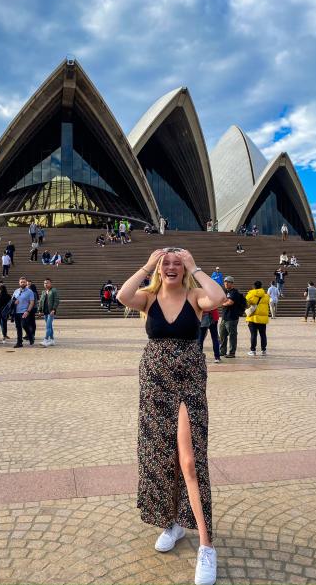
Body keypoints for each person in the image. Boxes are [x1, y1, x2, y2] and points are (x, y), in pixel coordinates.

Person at [116, 247, 225, 585]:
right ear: (160, 269)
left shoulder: (195, 296)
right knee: (160, 458)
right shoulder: (148, 299)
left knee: (189, 461)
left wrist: (197, 265)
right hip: (154, 383)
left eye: (179, 263)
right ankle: (173, 523)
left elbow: (217, 297)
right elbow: (122, 295)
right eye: (168, 263)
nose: (173, 267)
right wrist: (149, 263)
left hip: (189, 383)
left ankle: (207, 546)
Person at [219, 276, 243, 359]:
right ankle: (222, 351)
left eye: (228, 282)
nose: (226, 283)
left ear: (232, 283)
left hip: (232, 318)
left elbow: (230, 302)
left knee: (232, 336)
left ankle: (232, 352)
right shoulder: (225, 291)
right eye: (225, 282)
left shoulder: (234, 292)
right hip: (224, 317)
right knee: (222, 335)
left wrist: (222, 303)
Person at [245, 281, 270, 356]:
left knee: (253, 335)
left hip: (253, 318)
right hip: (263, 318)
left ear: (254, 286)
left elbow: (246, 303)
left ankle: (253, 350)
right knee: (263, 334)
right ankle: (264, 350)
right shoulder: (266, 296)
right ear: (261, 286)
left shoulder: (251, 294)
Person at [12, 277, 35, 348]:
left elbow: (32, 302)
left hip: (24, 312)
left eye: (24, 282)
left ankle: (30, 336)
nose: (23, 283)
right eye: (21, 282)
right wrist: (14, 302)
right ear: (19, 283)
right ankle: (19, 342)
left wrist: (28, 311)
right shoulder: (16, 291)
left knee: (24, 325)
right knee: (18, 327)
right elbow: (12, 300)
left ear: (26, 283)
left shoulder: (30, 291)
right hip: (16, 312)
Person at [38, 278, 60, 347]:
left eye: (47, 283)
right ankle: (52, 340)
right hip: (45, 311)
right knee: (49, 326)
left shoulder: (54, 290)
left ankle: (46, 339)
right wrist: (40, 310)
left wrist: (54, 309)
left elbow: (56, 300)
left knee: (48, 326)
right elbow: (41, 301)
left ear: (51, 283)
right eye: (44, 283)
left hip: (51, 311)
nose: (46, 284)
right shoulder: (43, 292)